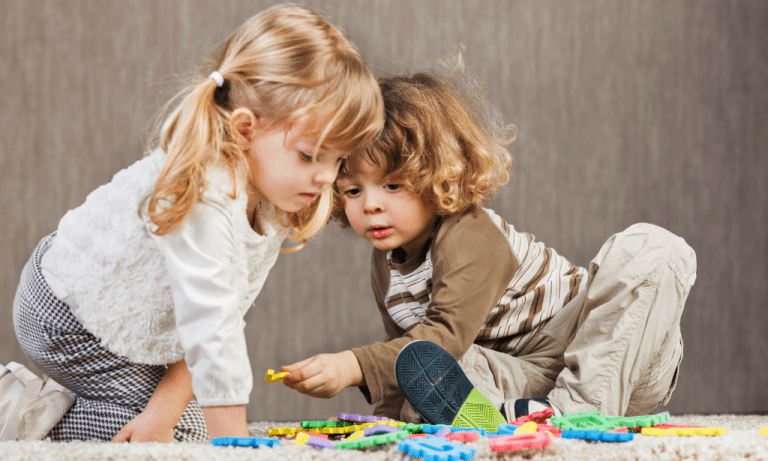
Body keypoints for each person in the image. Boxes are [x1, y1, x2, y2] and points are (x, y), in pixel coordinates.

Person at [12, 4, 383, 442]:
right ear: (244, 130)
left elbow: (220, 309)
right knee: (185, 439)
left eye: (337, 160)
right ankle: (17, 412)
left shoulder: (278, 191)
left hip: (143, 327)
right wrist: (235, 447)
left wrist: (166, 412)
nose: (327, 176)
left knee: (172, 426)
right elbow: (212, 325)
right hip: (68, 314)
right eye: (310, 155)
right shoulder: (204, 189)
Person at [281, 63, 696, 428]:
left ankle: (579, 416)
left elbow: (446, 334)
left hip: (605, 353)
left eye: (393, 185)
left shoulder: (468, 232)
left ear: (436, 176)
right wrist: (385, 424)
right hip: (519, 379)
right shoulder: (386, 263)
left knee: (653, 248)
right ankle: (531, 415)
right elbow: (414, 357)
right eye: (352, 191)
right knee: (427, 374)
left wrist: (351, 365)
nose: (370, 205)